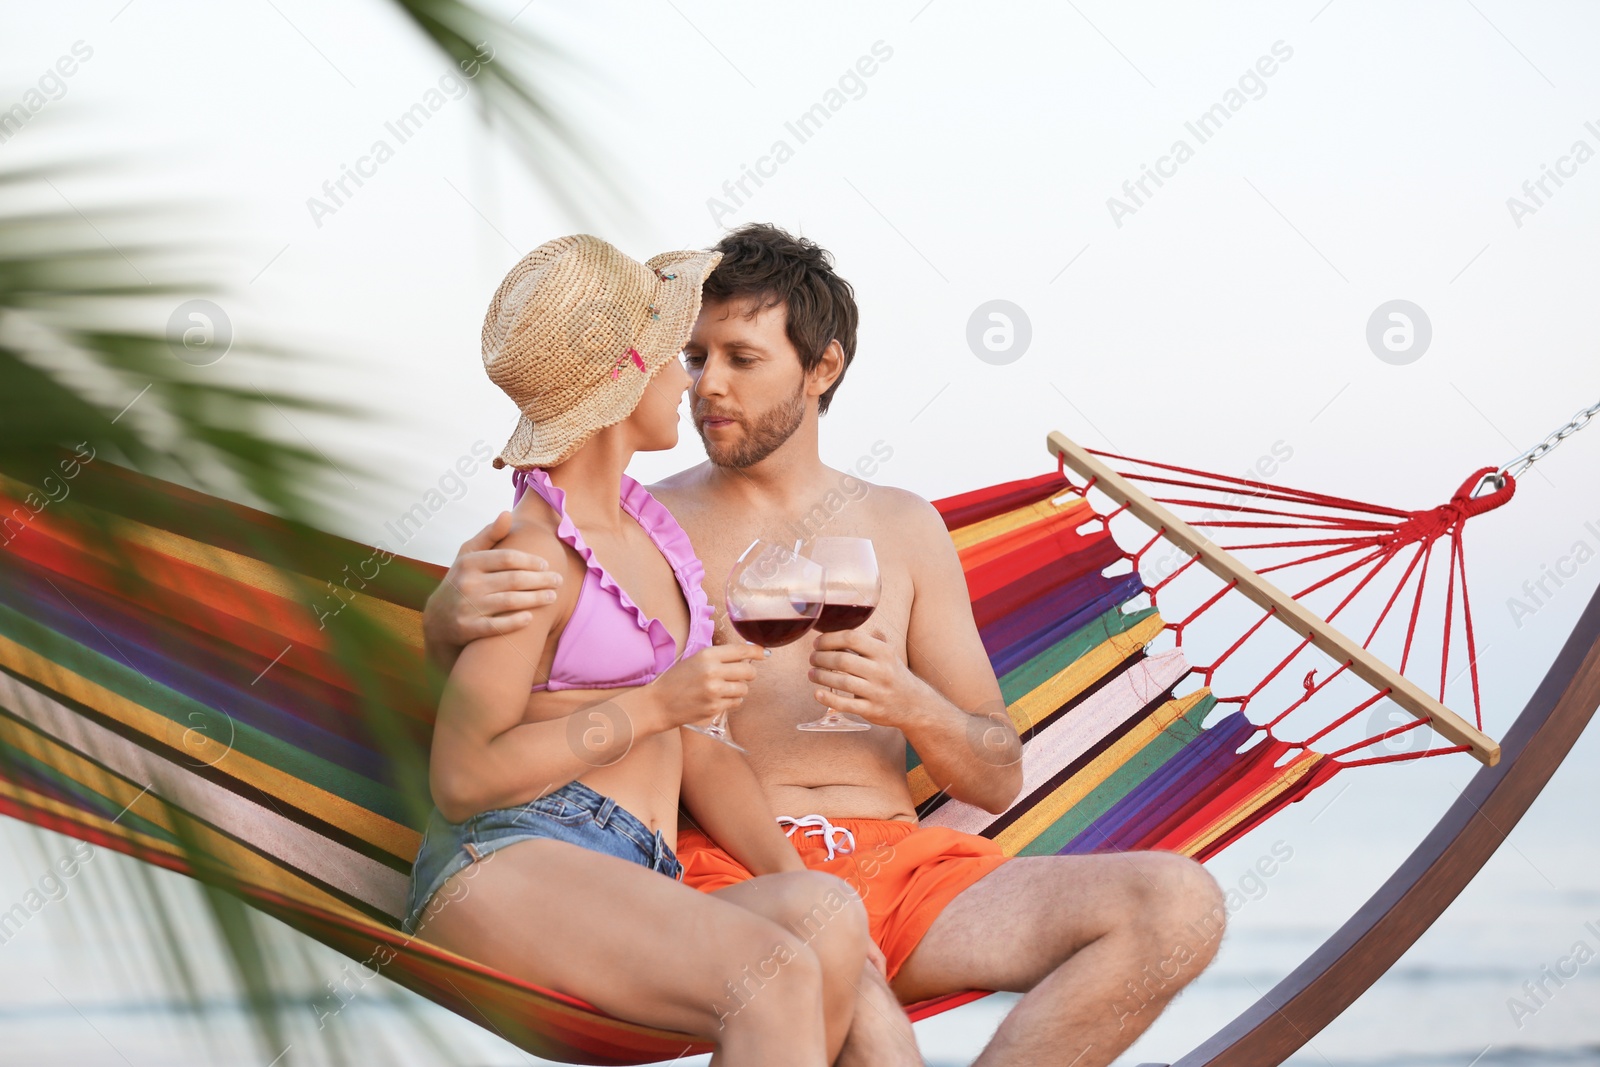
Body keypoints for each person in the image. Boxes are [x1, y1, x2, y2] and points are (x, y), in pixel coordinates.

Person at [423, 224, 1229, 1067]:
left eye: (742, 357)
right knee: (866, 1025)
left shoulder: (905, 528)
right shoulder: (641, 531)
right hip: (730, 869)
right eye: (694, 358)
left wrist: (909, 701)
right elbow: (525, 675)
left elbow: (997, 774)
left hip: (904, 864)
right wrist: (444, 618)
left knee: (1179, 904)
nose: (706, 386)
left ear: (823, 368)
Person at [405, 233, 878, 1067]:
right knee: (768, 979)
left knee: (830, 920)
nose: (691, 381)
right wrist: (654, 704)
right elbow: (462, 776)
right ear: (626, 375)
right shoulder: (533, 553)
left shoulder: (654, 542)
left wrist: (795, 873)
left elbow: (697, 746)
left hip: (631, 865)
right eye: (677, 356)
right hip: (510, 856)